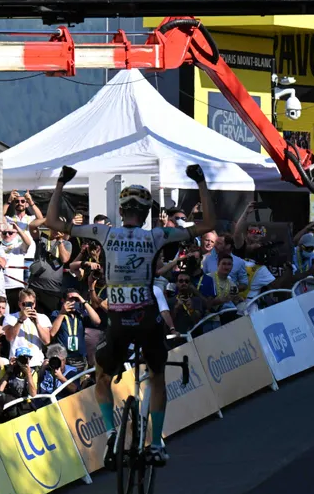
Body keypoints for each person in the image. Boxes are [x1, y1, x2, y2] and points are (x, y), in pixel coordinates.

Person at [44, 163, 215, 469]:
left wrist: (60, 183)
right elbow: (208, 224)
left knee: (102, 378)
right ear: (147, 212)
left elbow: (52, 221)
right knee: (158, 377)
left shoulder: (104, 233)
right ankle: (158, 443)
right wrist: (200, 182)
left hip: (118, 322)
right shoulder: (156, 235)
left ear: (121, 211)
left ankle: (111, 432)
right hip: (148, 319)